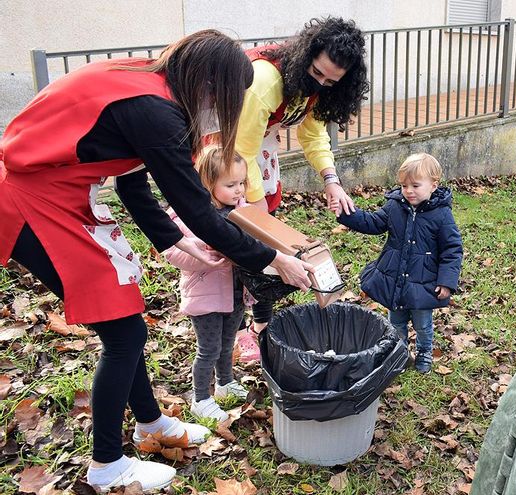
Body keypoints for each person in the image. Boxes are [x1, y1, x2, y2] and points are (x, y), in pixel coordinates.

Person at [0, 31, 313, 490]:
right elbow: (199, 210)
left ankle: (149, 424)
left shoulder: (156, 83)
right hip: (33, 202)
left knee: (126, 324)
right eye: (228, 98)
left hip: (62, 195)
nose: (224, 111)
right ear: (211, 86)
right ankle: (106, 465)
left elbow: (131, 182)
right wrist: (273, 258)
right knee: (123, 332)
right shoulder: (156, 110)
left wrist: (173, 243)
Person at [234, 17, 369, 360]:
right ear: (304, 56)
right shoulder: (264, 80)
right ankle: (234, 332)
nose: (321, 84)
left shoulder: (320, 88)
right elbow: (241, 148)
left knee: (267, 253)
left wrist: (331, 180)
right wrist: (255, 205)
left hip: (260, 159)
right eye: (316, 73)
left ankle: (261, 325)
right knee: (235, 246)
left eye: (331, 81)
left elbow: (312, 134)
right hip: (228, 156)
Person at [337, 153, 463, 373]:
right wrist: (347, 214)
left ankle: (424, 352)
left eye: (415, 185)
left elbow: (452, 250)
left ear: (433, 185)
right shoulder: (395, 206)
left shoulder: (442, 215)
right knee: (395, 321)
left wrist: (447, 281)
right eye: (404, 185)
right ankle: (399, 353)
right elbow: (373, 223)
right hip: (394, 277)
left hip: (424, 282)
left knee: (422, 324)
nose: (408, 191)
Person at [163, 145, 252, 422]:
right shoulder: (187, 216)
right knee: (209, 348)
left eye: (242, 183)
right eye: (231, 184)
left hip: (236, 292)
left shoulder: (242, 211)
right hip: (206, 294)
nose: (239, 190)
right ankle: (201, 397)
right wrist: (204, 253)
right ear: (208, 182)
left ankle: (225, 383)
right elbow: (172, 251)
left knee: (227, 344)